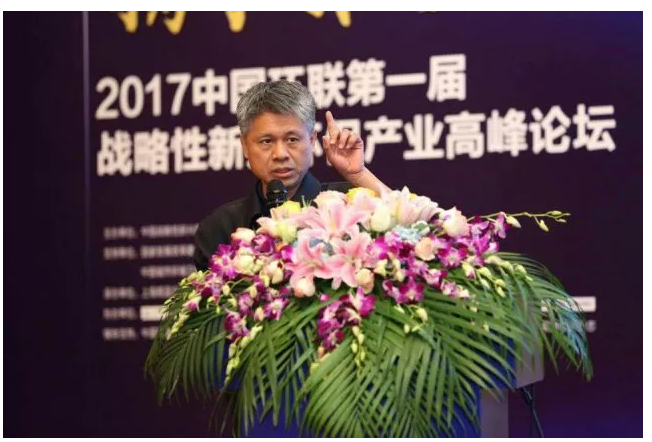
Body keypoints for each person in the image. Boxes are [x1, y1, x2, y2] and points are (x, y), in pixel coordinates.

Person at [193, 80, 389, 271]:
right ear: (245, 146)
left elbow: (405, 232)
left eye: (292, 139)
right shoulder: (220, 228)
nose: (280, 154)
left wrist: (358, 174)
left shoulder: (348, 203)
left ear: (312, 140)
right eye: (267, 141)